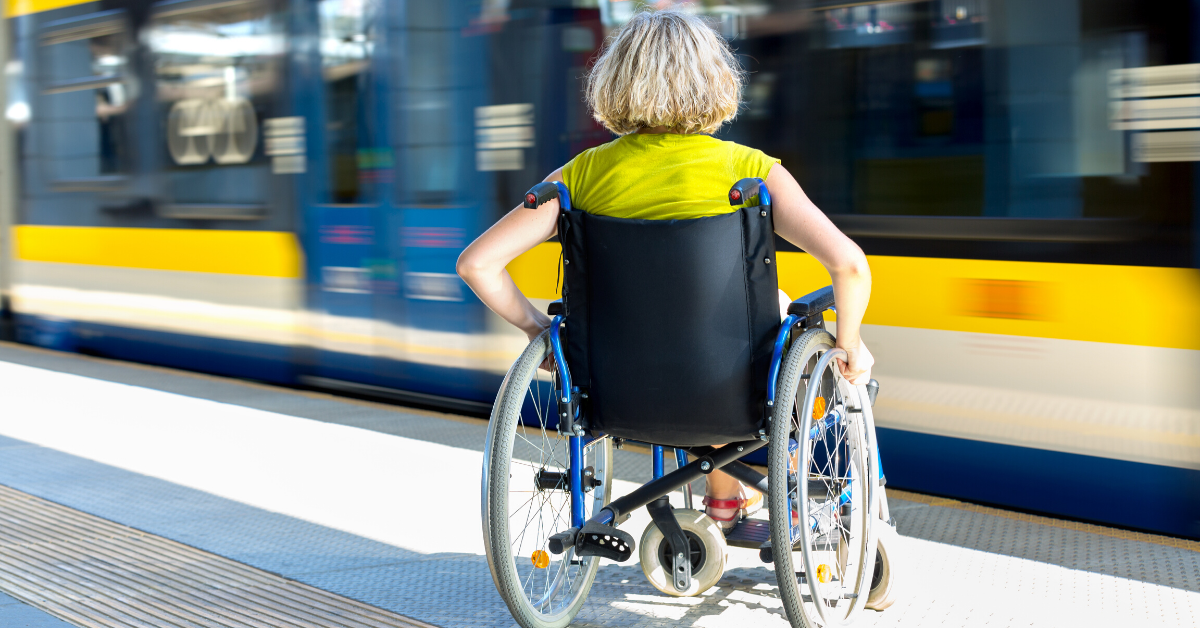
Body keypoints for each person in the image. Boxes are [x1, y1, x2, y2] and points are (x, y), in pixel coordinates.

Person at [457, 9, 873, 530]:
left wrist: (538, 330)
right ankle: (793, 499)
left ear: (615, 83)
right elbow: (849, 266)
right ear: (715, 82)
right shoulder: (752, 171)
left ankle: (722, 499)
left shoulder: (579, 176)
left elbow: (477, 264)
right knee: (794, 331)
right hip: (731, 392)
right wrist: (851, 344)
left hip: (616, 400)